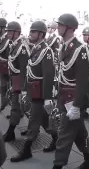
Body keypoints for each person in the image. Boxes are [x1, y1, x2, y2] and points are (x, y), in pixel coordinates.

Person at [52, 13, 89, 169]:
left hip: (73, 102)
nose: (58, 27)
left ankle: (57, 165)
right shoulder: (64, 46)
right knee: (79, 134)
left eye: (60, 25)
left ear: (69, 28)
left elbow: (83, 81)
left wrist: (76, 106)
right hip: (65, 99)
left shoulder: (80, 50)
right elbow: (62, 75)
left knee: (63, 136)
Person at [10, 21, 56, 162]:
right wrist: (25, 90)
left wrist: (48, 98)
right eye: (30, 31)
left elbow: (48, 75)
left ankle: (26, 150)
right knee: (43, 120)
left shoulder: (46, 51)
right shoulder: (36, 48)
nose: (30, 34)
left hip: (40, 94)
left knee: (34, 121)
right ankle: (57, 138)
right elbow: (29, 70)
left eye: (33, 32)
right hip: (34, 91)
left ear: (41, 34)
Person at [3, 21, 29, 142]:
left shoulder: (22, 47)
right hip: (14, 79)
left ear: (16, 32)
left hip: (20, 80)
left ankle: (10, 132)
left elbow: (24, 69)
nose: (7, 33)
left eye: (10, 31)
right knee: (20, 107)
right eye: (7, 31)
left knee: (16, 106)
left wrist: (23, 90)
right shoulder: (14, 45)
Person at [0, 18, 9, 111]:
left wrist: (2, 59)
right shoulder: (2, 39)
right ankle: (3, 104)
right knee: (3, 87)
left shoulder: (8, 40)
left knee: (15, 90)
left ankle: (19, 111)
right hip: (2, 68)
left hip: (9, 67)